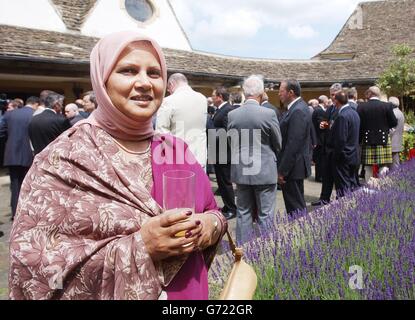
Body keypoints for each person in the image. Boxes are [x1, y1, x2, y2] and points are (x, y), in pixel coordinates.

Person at [9, 31, 227, 300]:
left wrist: (210, 226)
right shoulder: (64, 158)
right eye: (128, 70)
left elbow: (212, 210)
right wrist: (141, 247)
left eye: (154, 73)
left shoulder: (173, 149)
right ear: (103, 80)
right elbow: (32, 268)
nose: (144, 83)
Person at [227, 75, 281, 244]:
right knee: (266, 214)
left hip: (242, 169)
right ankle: (265, 251)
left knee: (243, 212)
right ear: (262, 93)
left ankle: (241, 253)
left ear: (244, 92)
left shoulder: (233, 114)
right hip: (264, 170)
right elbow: (278, 143)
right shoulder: (269, 113)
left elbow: (231, 142)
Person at [156, 73, 207, 168]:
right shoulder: (202, 99)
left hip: (178, 158)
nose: (169, 91)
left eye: (168, 88)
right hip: (200, 157)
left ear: (171, 84)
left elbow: (161, 132)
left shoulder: (168, 101)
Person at [0, 96, 39, 220]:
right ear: (35, 104)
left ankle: (15, 213)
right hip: (29, 154)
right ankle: (26, 213)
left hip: (11, 154)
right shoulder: (34, 114)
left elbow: (1, 131)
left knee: (15, 185)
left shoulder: (9, 114)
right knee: (28, 185)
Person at [278, 79, 311, 215]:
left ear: (290, 92)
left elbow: (293, 144)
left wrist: (282, 171)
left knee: (295, 207)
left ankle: (302, 234)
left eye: (281, 91)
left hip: (293, 168)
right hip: (294, 166)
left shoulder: (297, 110)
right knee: (295, 206)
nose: (279, 94)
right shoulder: (295, 108)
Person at [357, 86, 397, 180]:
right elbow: (394, 122)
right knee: (383, 165)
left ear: (370, 94)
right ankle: (382, 185)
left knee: (368, 166)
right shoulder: (387, 106)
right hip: (383, 140)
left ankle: (368, 186)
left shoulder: (361, 106)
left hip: (367, 140)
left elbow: (359, 124)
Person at [210, 86, 237, 220]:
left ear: (220, 96)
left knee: (226, 182)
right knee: (221, 182)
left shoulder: (227, 110)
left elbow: (230, 132)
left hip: (224, 153)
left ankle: (232, 208)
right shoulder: (220, 109)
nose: (212, 98)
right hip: (218, 151)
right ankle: (227, 205)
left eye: (213, 95)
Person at [327, 90, 360, 197]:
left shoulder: (342, 116)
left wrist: (335, 155)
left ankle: (345, 210)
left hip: (343, 157)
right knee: (351, 185)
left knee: (343, 187)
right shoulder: (354, 113)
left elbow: (341, 139)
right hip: (353, 154)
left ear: (336, 101)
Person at [388, 97, 405, 170]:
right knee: (395, 162)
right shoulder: (400, 112)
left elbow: (392, 129)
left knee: (394, 164)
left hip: (393, 141)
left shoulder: (394, 113)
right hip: (397, 141)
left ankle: (395, 180)